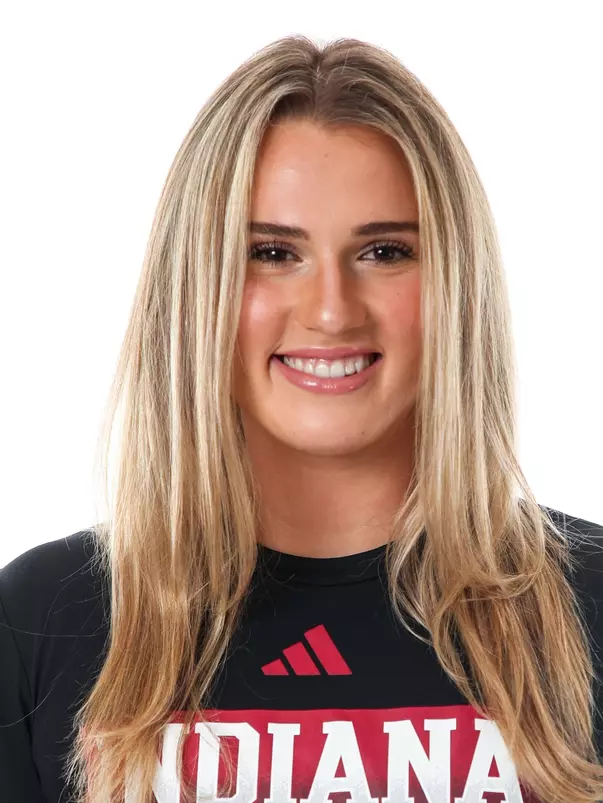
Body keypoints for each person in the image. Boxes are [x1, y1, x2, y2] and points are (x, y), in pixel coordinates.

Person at [1, 34, 602, 803]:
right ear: (197, 283)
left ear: (455, 282)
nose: (329, 310)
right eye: (271, 253)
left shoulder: (584, 607)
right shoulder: (47, 620)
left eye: (384, 251)